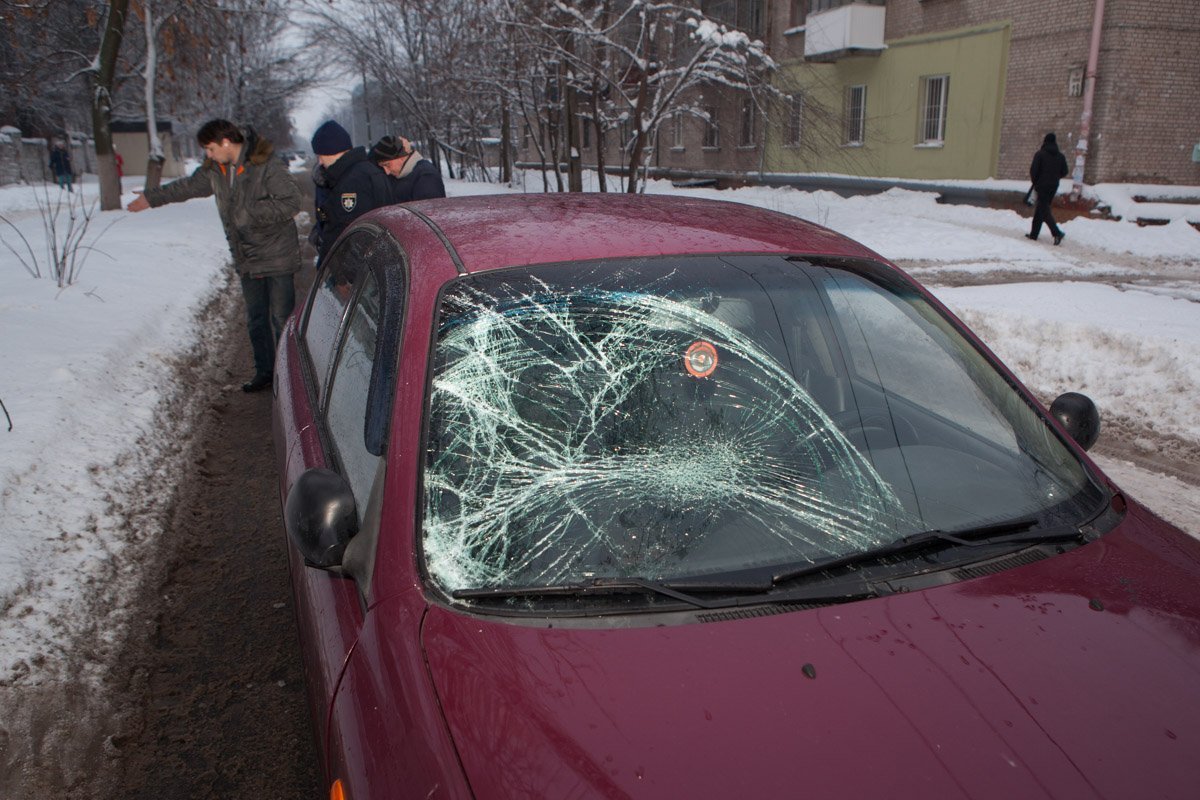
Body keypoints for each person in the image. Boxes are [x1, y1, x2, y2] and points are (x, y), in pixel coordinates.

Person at [127, 119, 302, 393]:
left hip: (276, 254)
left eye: (209, 149)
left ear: (225, 142)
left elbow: (292, 202)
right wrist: (152, 197)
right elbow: (187, 187)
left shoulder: (266, 164)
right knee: (256, 320)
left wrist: (251, 213)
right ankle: (266, 372)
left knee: (281, 319)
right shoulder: (216, 170)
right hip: (246, 256)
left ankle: (289, 379)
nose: (207, 155)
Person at [310, 120, 393, 264]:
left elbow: (343, 231)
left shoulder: (352, 182)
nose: (320, 162)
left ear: (332, 151)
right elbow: (325, 213)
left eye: (320, 156)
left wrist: (336, 273)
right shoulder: (360, 172)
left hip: (357, 271)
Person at [369, 135, 446, 202]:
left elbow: (428, 214)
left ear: (401, 157)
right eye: (382, 166)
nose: (387, 172)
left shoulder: (426, 177)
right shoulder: (398, 175)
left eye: (388, 165)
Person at [1026, 132, 1069, 245]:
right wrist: (1055, 177)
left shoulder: (1040, 154)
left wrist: (1036, 182)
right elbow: (1064, 171)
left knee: (1044, 210)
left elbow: (1033, 171)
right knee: (1041, 209)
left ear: (1045, 141)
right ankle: (1034, 234)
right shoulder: (1060, 156)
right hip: (1053, 186)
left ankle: (1056, 233)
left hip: (1041, 186)